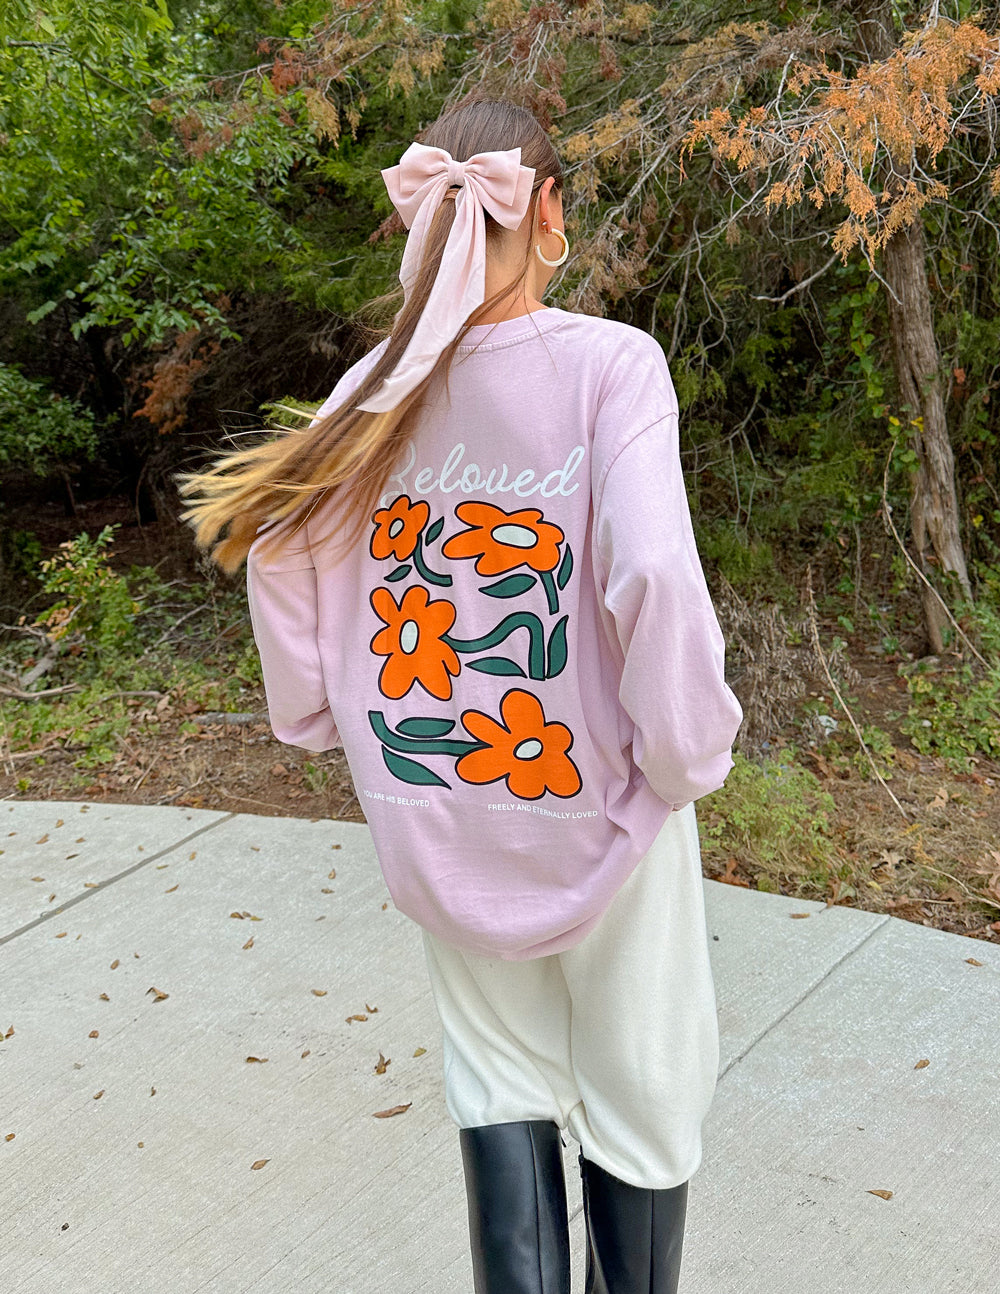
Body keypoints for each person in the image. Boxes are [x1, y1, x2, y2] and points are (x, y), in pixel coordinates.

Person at [175, 96, 743, 1294]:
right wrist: (686, 756)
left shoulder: (369, 392)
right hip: (598, 798)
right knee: (641, 1096)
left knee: (499, 1084)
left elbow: (279, 549)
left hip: (434, 797)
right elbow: (650, 572)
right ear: (545, 209)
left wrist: (325, 716)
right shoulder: (609, 365)